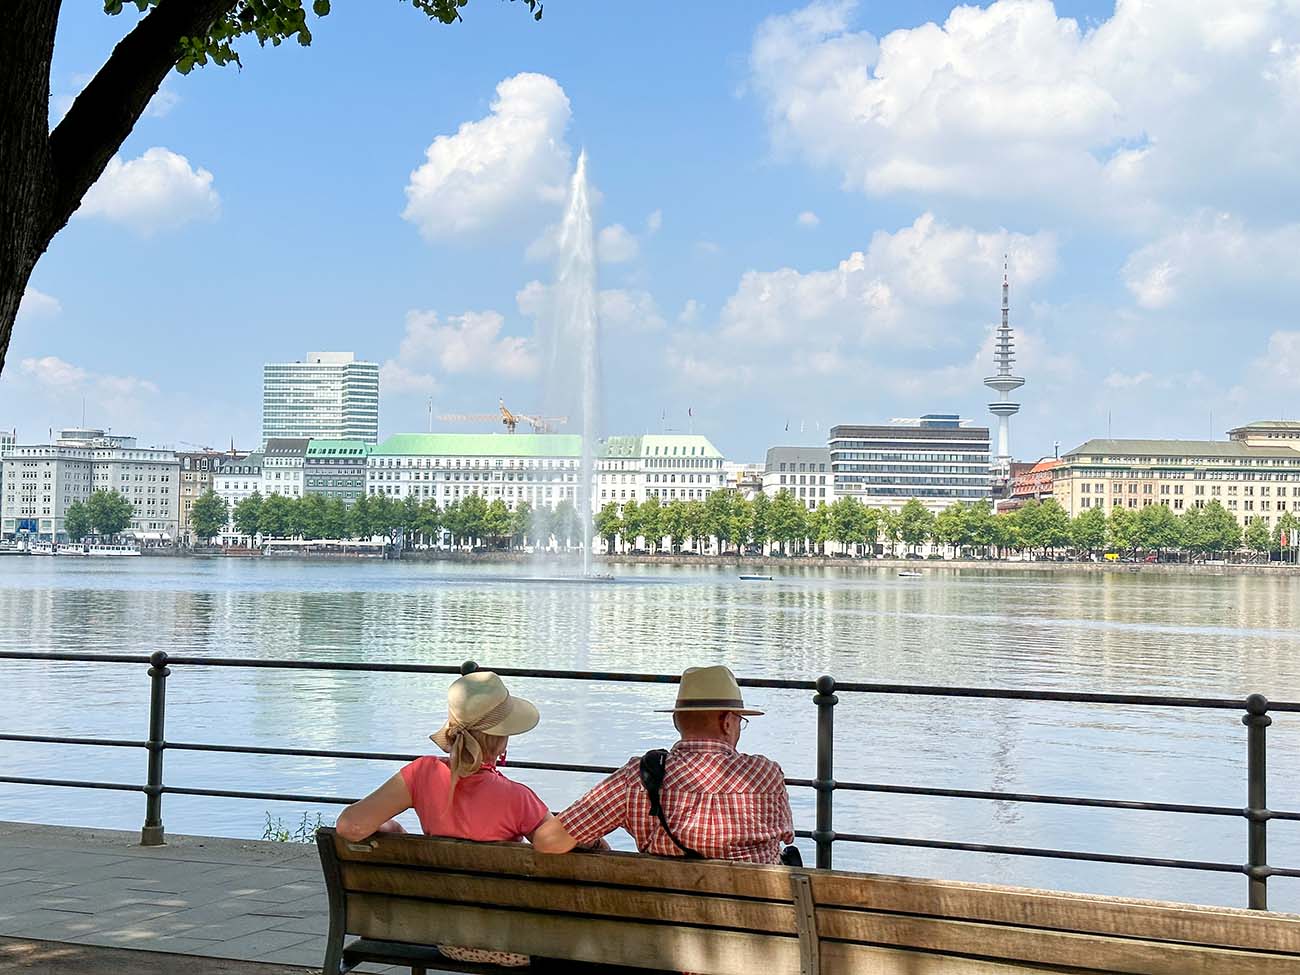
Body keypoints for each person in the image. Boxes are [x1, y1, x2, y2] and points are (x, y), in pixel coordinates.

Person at [336, 670, 572, 968]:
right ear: (500, 740)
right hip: (515, 944)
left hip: (449, 939)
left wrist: (392, 830)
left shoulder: (421, 775)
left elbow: (349, 826)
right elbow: (557, 850)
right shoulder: (518, 798)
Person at [546, 665, 795, 863]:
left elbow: (549, 840)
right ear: (727, 722)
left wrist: (594, 842)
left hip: (661, 919)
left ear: (677, 720)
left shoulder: (637, 777)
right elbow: (786, 836)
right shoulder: (765, 775)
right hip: (759, 919)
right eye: (740, 720)